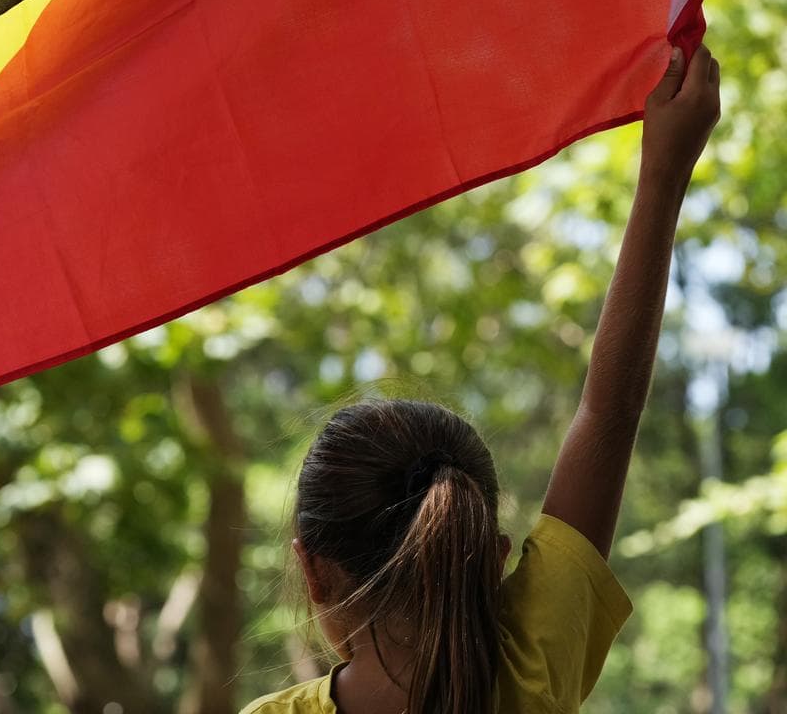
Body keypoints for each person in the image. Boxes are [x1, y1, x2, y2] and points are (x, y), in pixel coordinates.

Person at [241, 43, 722, 714]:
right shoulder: (532, 668)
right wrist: (663, 174)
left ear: (312, 573)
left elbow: (608, 417)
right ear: (490, 558)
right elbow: (609, 414)